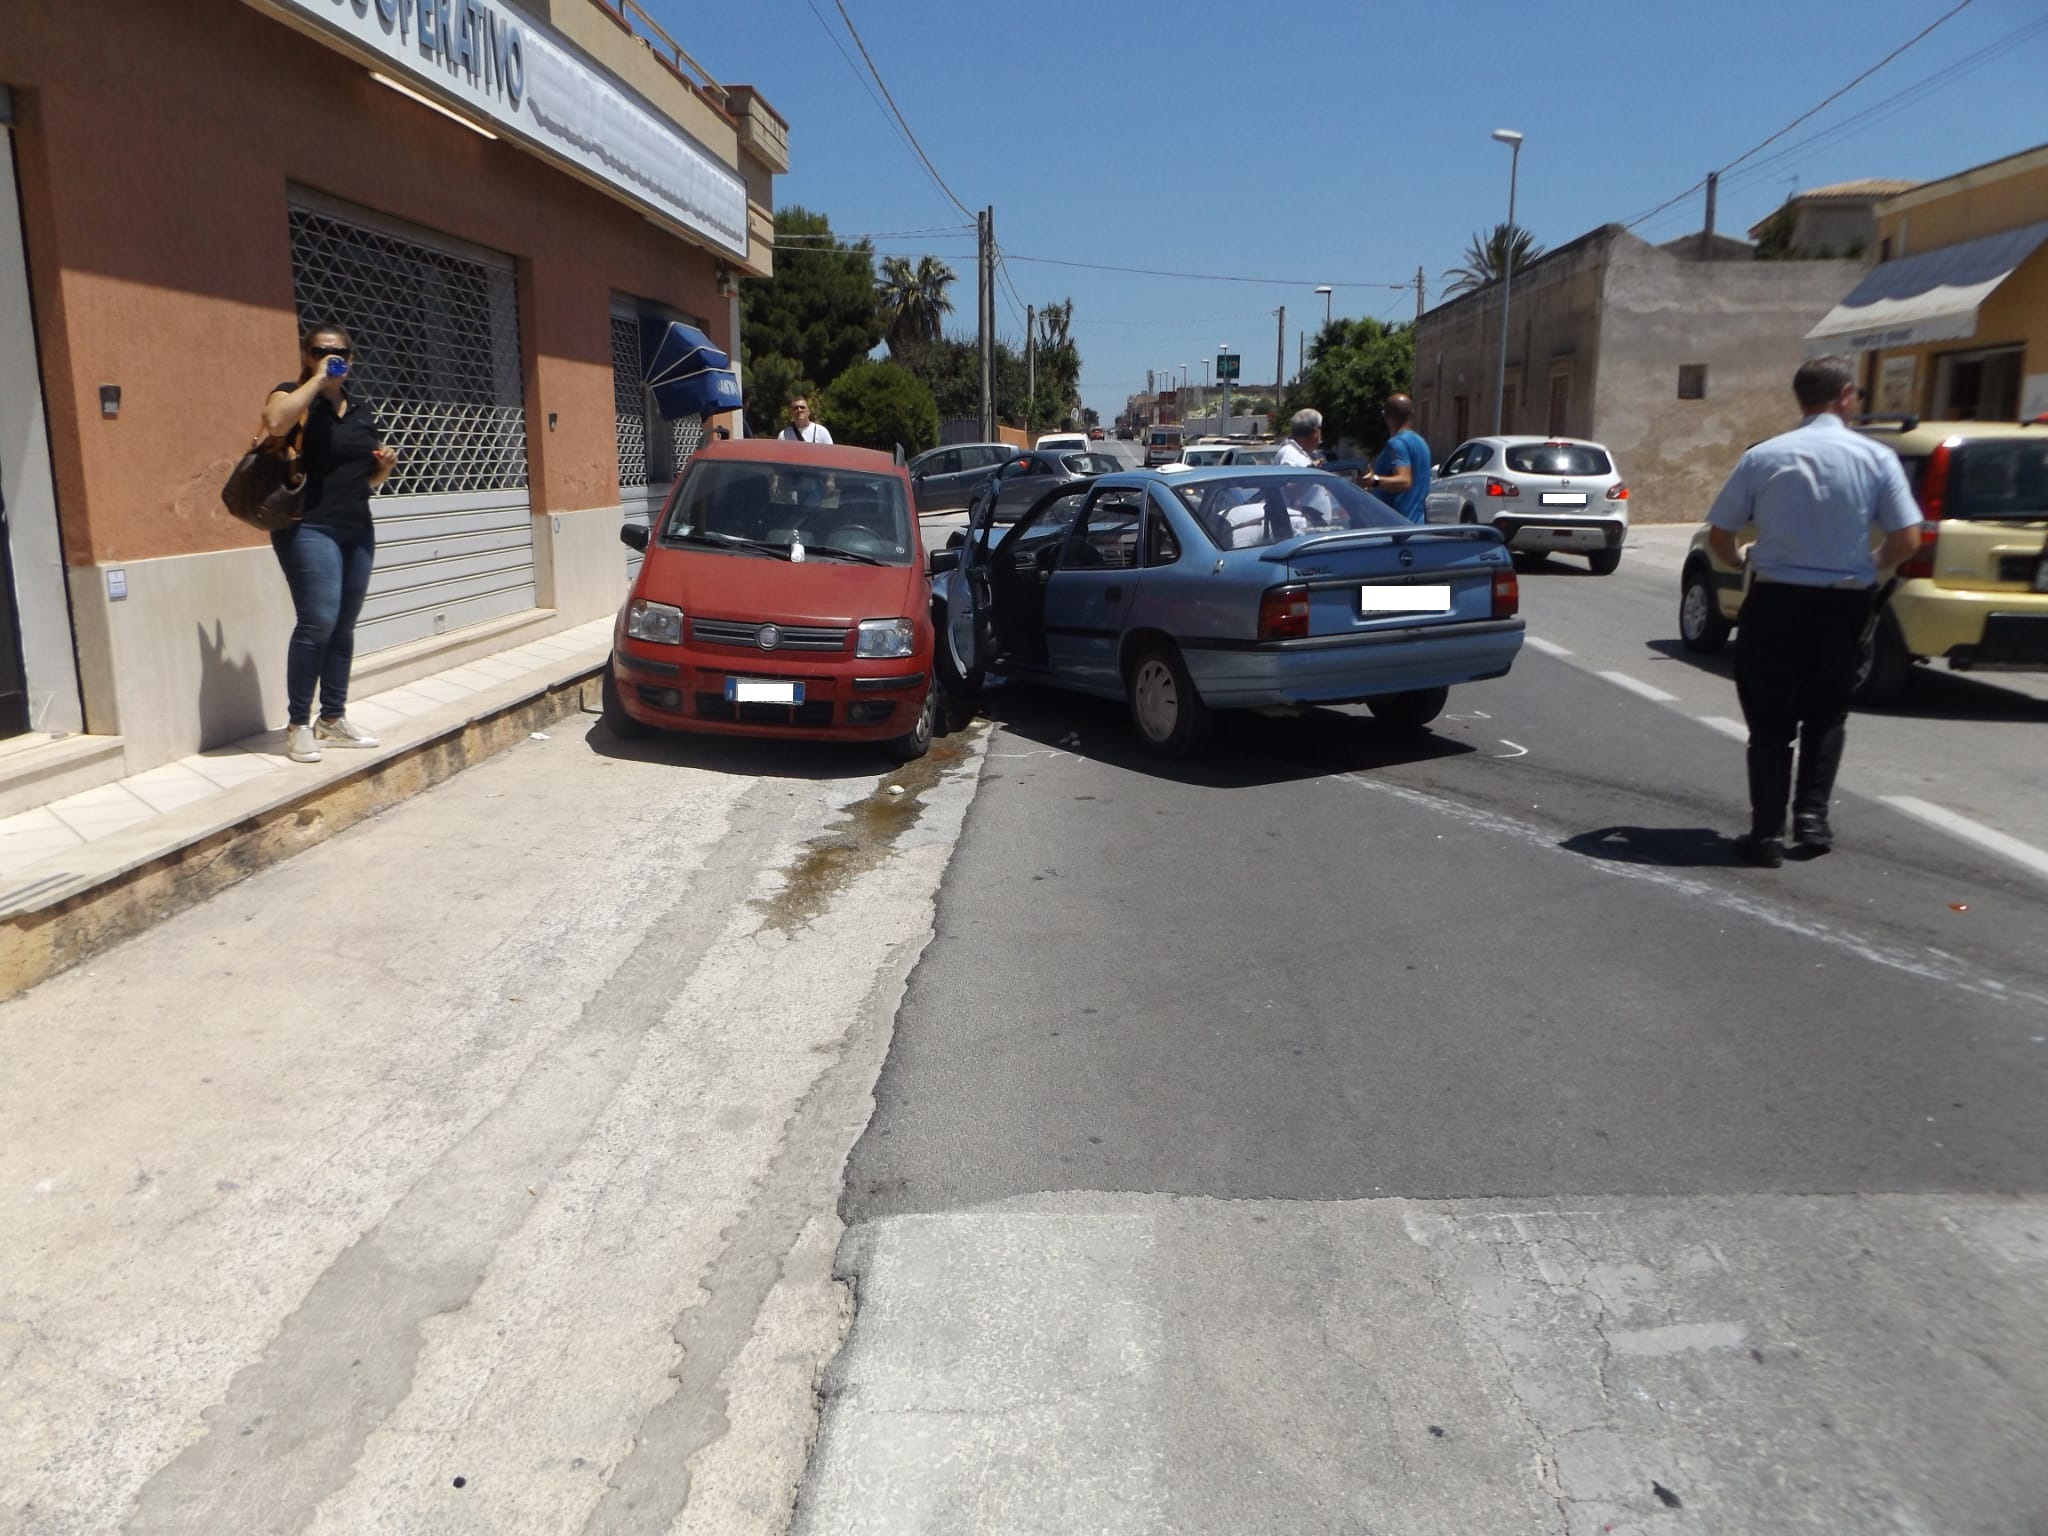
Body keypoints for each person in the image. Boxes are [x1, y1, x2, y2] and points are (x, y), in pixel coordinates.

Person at [1705, 354, 1923, 867]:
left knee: (1770, 723)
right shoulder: (1876, 458)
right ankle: (1812, 818)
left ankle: (1764, 834)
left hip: (1776, 601)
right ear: (1845, 394)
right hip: (1844, 603)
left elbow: (1720, 534)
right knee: (1827, 713)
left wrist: (1740, 562)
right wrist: (1870, 565)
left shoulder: (1764, 456)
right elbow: (1908, 539)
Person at [261, 322, 395, 765]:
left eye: (337, 353)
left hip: (356, 527)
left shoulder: (360, 408)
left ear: (352, 360)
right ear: (307, 354)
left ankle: (332, 719)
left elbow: (364, 476)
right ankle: (298, 723)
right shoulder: (290, 394)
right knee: (317, 621)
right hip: (307, 526)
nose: (329, 357)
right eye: (319, 351)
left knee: (343, 626)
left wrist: (385, 468)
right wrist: (319, 379)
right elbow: (275, 423)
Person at [1365, 394, 1431, 523]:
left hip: (1396, 529)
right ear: (1411, 415)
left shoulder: (1396, 443)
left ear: (1387, 418)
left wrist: (1374, 481)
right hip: (1417, 526)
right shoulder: (1421, 443)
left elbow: (1405, 481)